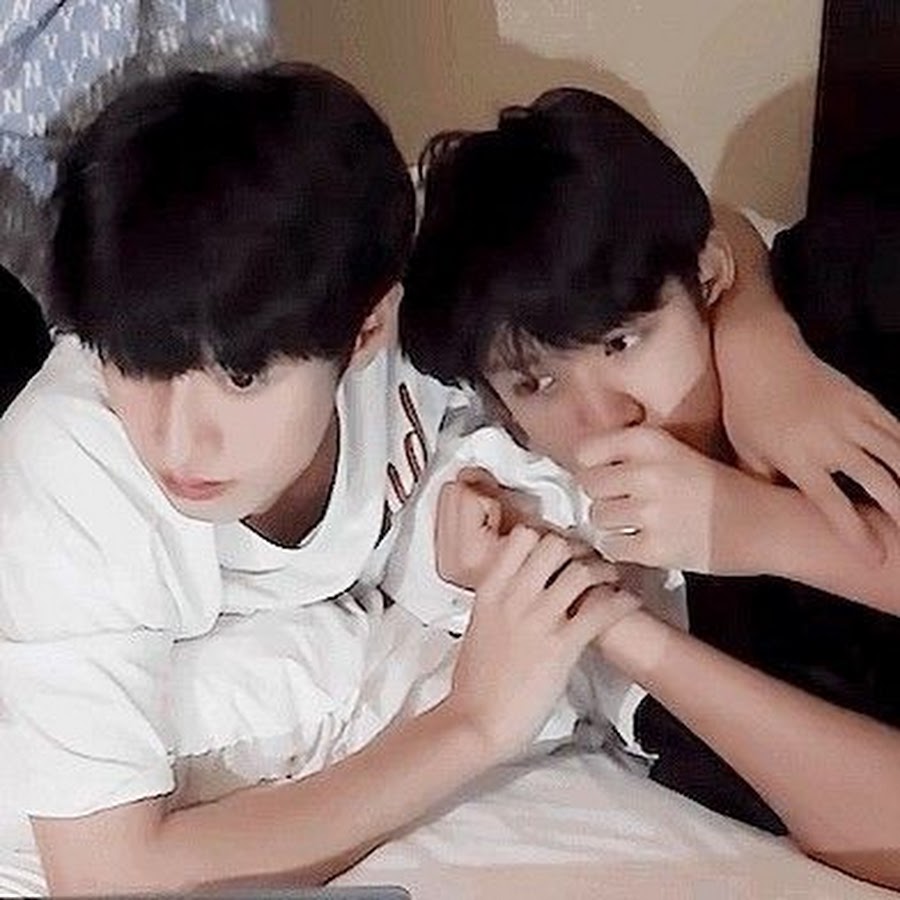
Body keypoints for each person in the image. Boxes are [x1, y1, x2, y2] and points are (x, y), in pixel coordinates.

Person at [0, 65, 629, 895]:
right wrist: (471, 724)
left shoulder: (371, 264)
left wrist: (772, 365)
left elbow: (678, 235)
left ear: (368, 329)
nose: (178, 440)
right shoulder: (71, 463)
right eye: (137, 364)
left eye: (241, 379)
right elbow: (108, 879)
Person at [397, 87, 900, 889]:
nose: (603, 421)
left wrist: (757, 520)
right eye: (538, 386)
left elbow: (732, 229)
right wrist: (600, 615)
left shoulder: (849, 296)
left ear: (708, 277)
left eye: (623, 342)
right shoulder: (661, 624)